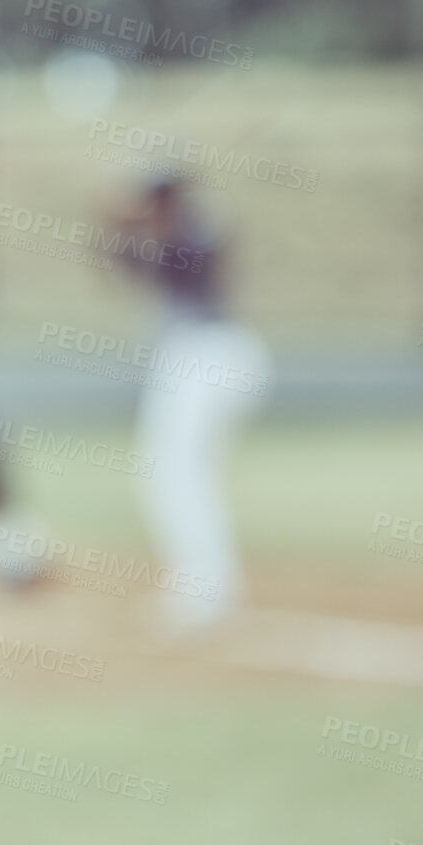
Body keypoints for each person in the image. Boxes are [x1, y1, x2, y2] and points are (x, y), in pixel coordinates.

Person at [109, 175, 271, 633]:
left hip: (207, 355)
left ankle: (204, 593)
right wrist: (119, 227)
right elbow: (128, 265)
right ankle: (207, 586)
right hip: (197, 357)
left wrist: (134, 221)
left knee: (174, 473)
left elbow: (181, 255)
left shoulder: (198, 226)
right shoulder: (179, 228)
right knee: (184, 473)